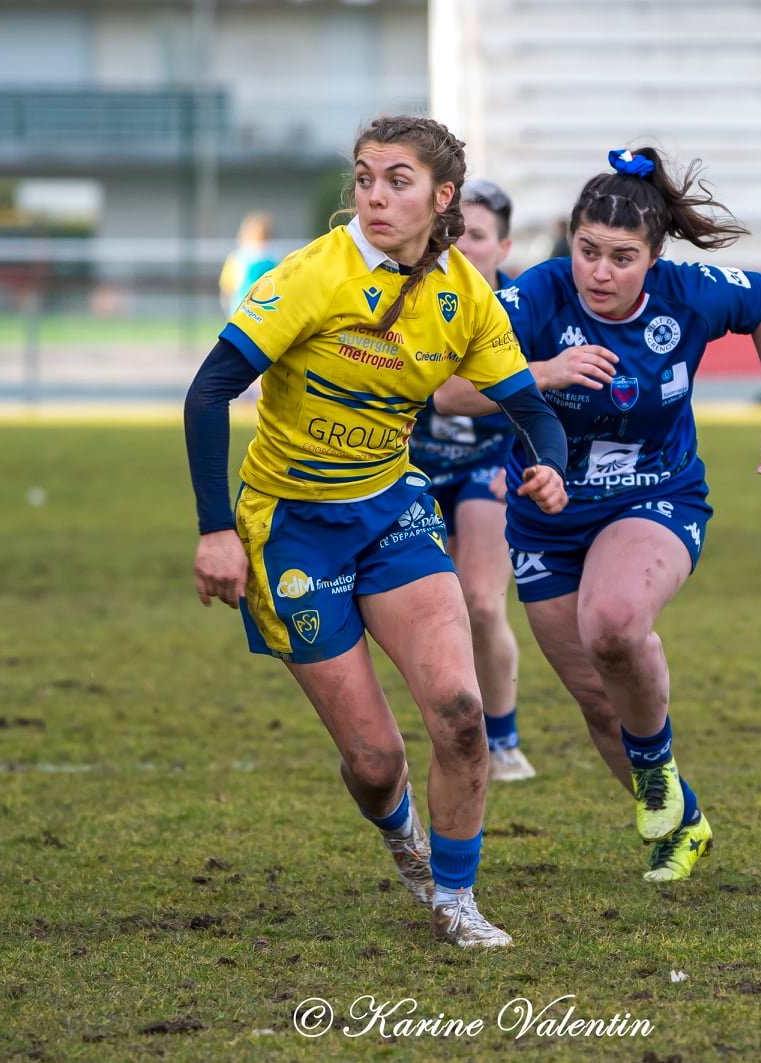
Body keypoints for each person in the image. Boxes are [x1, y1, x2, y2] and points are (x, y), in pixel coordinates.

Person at [183, 116, 569, 947]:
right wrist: (216, 530)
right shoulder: (309, 275)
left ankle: (456, 898)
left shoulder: (464, 292)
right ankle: (402, 835)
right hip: (291, 527)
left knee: (459, 710)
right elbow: (207, 392)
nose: (375, 197)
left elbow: (530, 407)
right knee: (374, 760)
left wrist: (550, 464)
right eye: (364, 178)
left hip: (391, 510)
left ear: (441, 197)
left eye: (397, 181)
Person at [437, 147, 761, 883]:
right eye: (587, 251)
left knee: (611, 624)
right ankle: (683, 819)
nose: (599, 272)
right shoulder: (536, 297)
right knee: (599, 702)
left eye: (622, 257)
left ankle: (655, 767)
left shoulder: (689, 294)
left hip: (654, 494)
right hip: (545, 518)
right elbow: (448, 390)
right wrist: (541, 373)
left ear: (653, 257)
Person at [407, 178, 534, 782]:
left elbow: (551, 396)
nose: (462, 245)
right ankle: (450, 727)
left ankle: (502, 738)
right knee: (428, 610)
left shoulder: (525, 308)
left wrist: (532, 458)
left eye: (477, 236)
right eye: (454, 232)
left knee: (482, 601)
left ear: (503, 248)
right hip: (415, 468)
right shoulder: (409, 292)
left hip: (491, 462)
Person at [218, 211, 277, 315]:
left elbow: (227, 288)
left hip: (248, 310)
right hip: (253, 310)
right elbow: (227, 287)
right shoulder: (239, 256)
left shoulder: (239, 256)